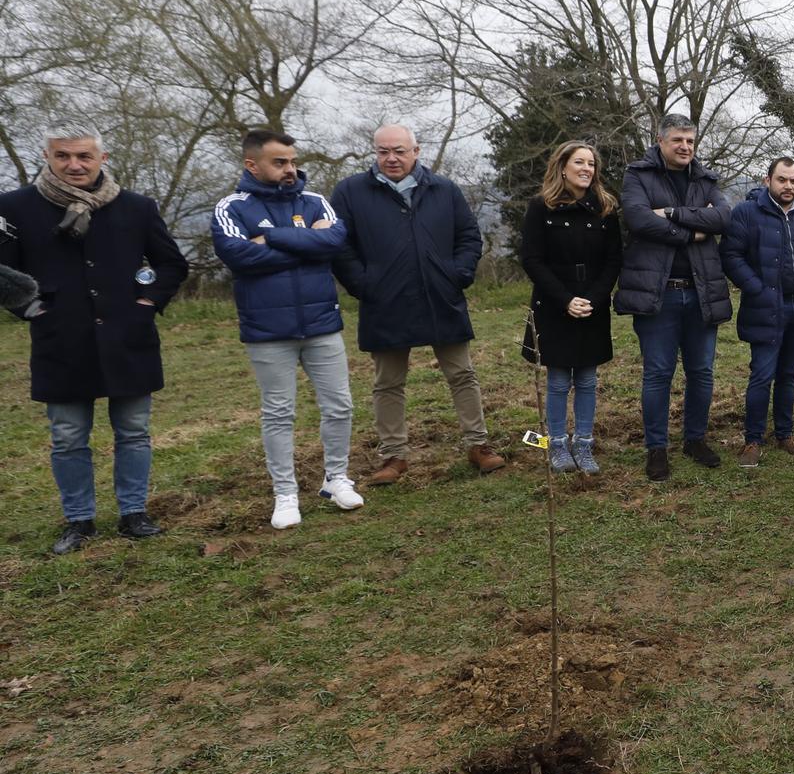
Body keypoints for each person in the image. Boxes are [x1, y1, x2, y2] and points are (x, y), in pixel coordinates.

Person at [0, 127, 189, 554]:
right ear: (47, 157)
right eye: (63, 156)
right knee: (68, 436)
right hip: (59, 342)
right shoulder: (15, 207)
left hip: (128, 338)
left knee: (135, 432)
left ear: (102, 158)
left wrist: (145, 304)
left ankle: (134, 514)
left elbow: (172, 264)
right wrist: (32, 310)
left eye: (84, 156)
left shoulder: (137, 207)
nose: (74, 165)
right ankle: (79, 521)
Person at [331, 124, 501, 482]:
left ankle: (478, 445)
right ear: (374, 153)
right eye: (383, 152)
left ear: (416, 151)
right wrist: (364, 284)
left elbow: (469, 236)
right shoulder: (350, 192)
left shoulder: (444, 189)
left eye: (399, 151)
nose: (391, 158)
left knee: (462, 374)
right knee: (388, 382)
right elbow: (340, 246)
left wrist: (458, 274)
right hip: (385, 301)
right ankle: (394, 457)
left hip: (441, 295)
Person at [212, 131, 364, 528]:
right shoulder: (232, 207)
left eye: (292, 161)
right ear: (252, 165)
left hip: (322, 324)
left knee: (340, 405)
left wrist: (273, 239)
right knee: (279, 413)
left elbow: (332, 240)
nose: (290, 169)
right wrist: (304, 245)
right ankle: (285, 493)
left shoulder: (315, 201)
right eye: (279, 162)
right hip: (268, 330)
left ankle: (336, 479)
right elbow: (238, 255)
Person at [616, 115, 732, 481]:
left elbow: (724, 218)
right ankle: (656, 448)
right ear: (661, 141)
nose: (685, 147)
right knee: (658, 374)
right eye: (678, 140)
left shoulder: (705, 179)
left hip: (702, 292)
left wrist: (669, 214)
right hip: (658, 294)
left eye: (690, 141)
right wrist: (692, 232)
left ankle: (694, 439)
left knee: (701, 372)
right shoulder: (638, 175)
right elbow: (637, 219)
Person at [721, 157, 794, 466]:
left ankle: (785, 435)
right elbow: (731, 256)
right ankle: (752, 441)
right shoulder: (747, 213)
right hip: (765, 307)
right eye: (782, 180)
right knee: (762, 375)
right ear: (767, 180)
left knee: (787, 375)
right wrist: (756, 288)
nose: (788, 186)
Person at [519, 141, 623, 475]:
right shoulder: (541, 207)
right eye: (579, 162)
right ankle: (557, 446)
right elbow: (532, 259)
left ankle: (584, 445)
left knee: (589, 380)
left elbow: (613, 259)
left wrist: (593, 297)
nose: (586, 169)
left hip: (592, 304)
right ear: (562, 166)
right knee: (559, 381)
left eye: (591, 164)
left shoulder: (605, 208)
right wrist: (565, 300)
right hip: (554, 305)